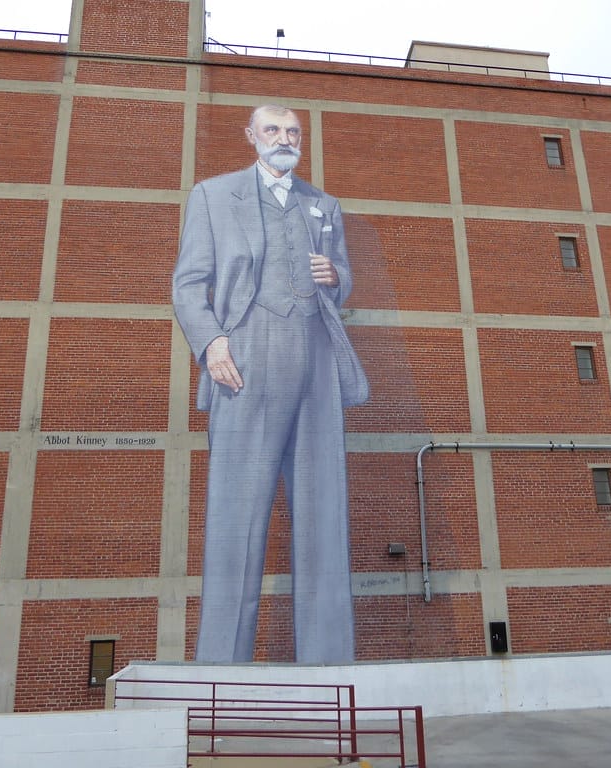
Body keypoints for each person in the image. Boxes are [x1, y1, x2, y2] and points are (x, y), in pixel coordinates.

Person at [173, 104, 368, 663]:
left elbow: (341, 276)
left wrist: (338, 278)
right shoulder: (212, 196)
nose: (284, 139)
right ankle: (219, 674)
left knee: (324, 514)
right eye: (273, 130)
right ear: (251, 137)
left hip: (316, 360)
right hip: (245, 360)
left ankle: (330, 669)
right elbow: (188, 285)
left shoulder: (324, 205)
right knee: (237, 518)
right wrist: (211, 344)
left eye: (293, 132)